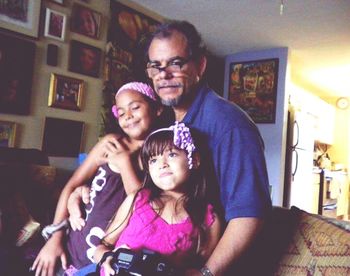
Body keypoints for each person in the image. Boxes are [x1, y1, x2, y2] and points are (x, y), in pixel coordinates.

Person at [143, 20, 272, 275]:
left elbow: (249, 214)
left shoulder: (230, 126)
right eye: (156, 66)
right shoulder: (169, 125)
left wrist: (206, 273)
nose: (164, 75)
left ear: (199, 66)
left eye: (176, 63)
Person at [31, 82, 166, 276]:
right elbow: (72, 185)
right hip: (70, 247)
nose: (127, 116)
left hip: (105, 261)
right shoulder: (110, 143)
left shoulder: (159, 155)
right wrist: (55, 237)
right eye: (121, 112)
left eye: (135, 107)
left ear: (157, 109)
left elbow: (142, 206)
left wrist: (124, 163)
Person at [93, 122, 221, 275]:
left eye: (172, 154)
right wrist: (107, 258)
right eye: (153, 160)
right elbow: (102, 247)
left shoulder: (208, 219)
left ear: (195, 159)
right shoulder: (138, 200)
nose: (162, 165)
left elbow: (200, 269)